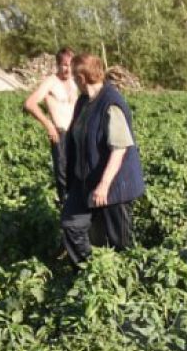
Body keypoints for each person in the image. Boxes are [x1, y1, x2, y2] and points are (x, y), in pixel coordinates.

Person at [61, 54, 145, 263]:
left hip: (114, 185)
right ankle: (88, 271)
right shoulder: (84, 101)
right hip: (85, 180)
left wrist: (104, 185)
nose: (72, 79)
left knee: (120, 242)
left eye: (73, 75)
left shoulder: (111, 103)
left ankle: (124, 275)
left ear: (82, 78)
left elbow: (119, 148)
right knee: (72, 225)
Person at [23, 47, 79, 204]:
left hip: (75, 133)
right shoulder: (51, 82)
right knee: (62, 173)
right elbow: (30, 104)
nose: (68, 69)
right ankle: (65, 206)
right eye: (64, 65)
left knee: (78, 172)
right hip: (60, 133)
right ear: (58, 65)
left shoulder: (75, 82)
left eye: (70, 65)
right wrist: (49, 125)